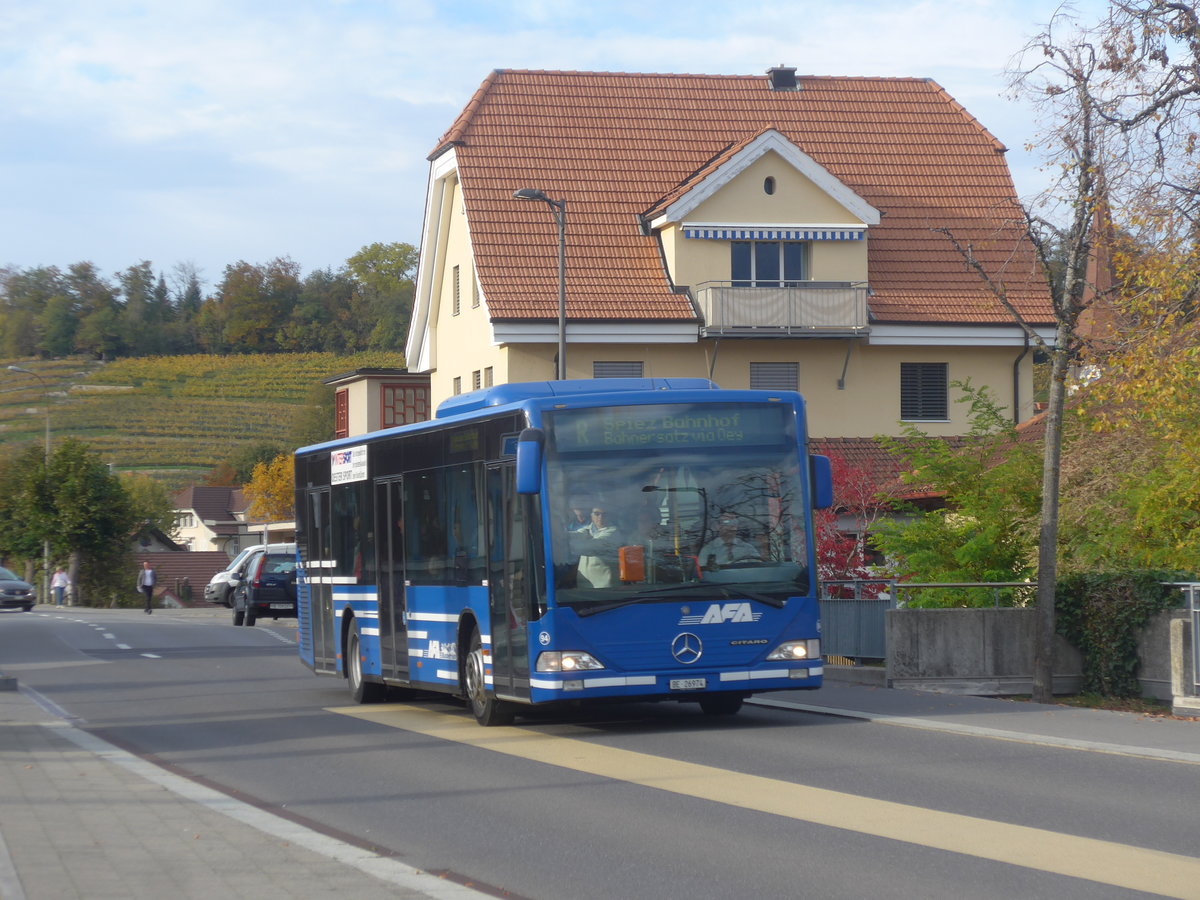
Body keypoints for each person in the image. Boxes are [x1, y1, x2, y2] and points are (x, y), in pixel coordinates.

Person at [568, 505, 623, 588]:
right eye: (597, 514)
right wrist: (558, 535)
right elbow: (577, 535)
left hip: (605, 589)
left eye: (605, 514)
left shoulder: (614, 532)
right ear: (591, 515)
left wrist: (563, 546)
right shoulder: (588, 529)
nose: (601, 517)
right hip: (584, 587)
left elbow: (590, 547)